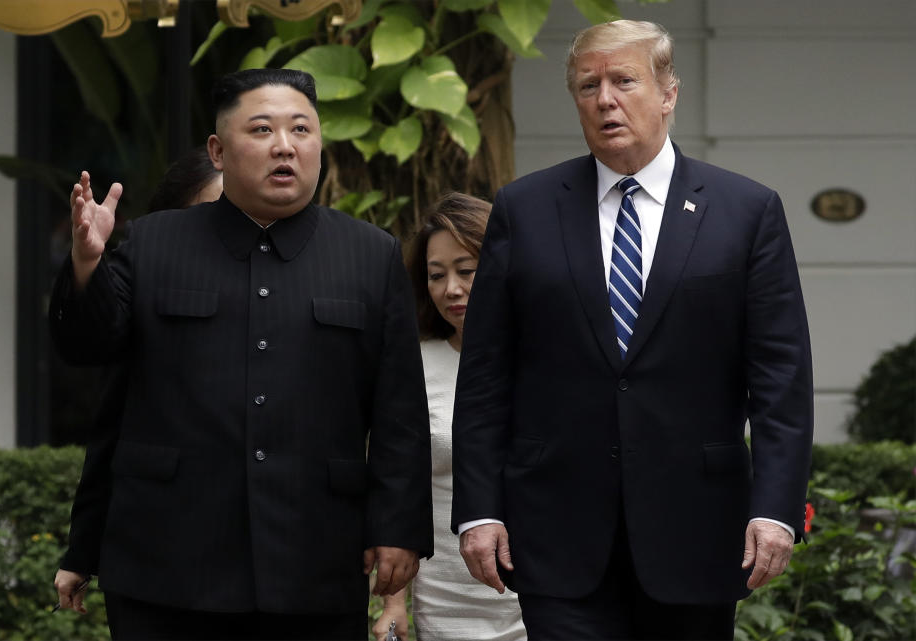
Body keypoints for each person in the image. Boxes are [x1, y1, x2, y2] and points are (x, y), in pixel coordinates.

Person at [451, 19, 813, 641]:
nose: (605, 99)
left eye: (624, 80)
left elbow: (781, 377)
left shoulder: (746, 211)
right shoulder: (525, 209)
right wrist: (479, 510)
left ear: (668, 93)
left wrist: (776, 510)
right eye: (588, 85)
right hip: (557, 531)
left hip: (697, 530)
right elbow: (487, 373)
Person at [49, 68, 433, 641]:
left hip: (315, 555)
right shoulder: (154, 242)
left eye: (301, 129)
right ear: (218, 150)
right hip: (167, 559)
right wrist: (86, 264)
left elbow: (399, 409)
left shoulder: (370, 255)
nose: (285, 145)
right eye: (262, 129)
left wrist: (398, 527)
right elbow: (86, 346)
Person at [53, 145, 223, 616]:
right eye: (213, 212)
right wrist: (81, 553)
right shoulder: (144, 292)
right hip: (163, 555)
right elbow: (111, 432)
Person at [372, 193, 526, 641]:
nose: (451, 289)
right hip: (445, 598)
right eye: (436, 275)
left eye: (467, 270)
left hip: (543, 593)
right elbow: (399, 488)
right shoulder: (413, 364)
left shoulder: (548, 361)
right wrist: (394, 604)